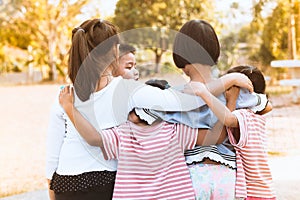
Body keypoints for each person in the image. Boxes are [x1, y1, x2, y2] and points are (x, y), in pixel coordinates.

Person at [46, 18, 251, 200]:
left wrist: (52, 189)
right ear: (115, 52)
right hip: (104, 182)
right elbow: (186, 100)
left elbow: (53, 153)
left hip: (64, 182)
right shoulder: (126, 91)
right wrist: (229, 79)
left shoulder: (65, 95)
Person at [137, 19, 271, 199]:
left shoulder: (175, 96)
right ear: (214, 52)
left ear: (180, 57)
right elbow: (266, 106)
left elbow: (143, 114)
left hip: (191, 176)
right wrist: (230, 81)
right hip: (227, 175)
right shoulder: (234, 90)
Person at [186, 65, 276, 199]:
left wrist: (228, 98)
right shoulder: (257, 119)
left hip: (252, 190)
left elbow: (227, 118)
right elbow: (267, 105)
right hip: (264, 189)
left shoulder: (244, 116)